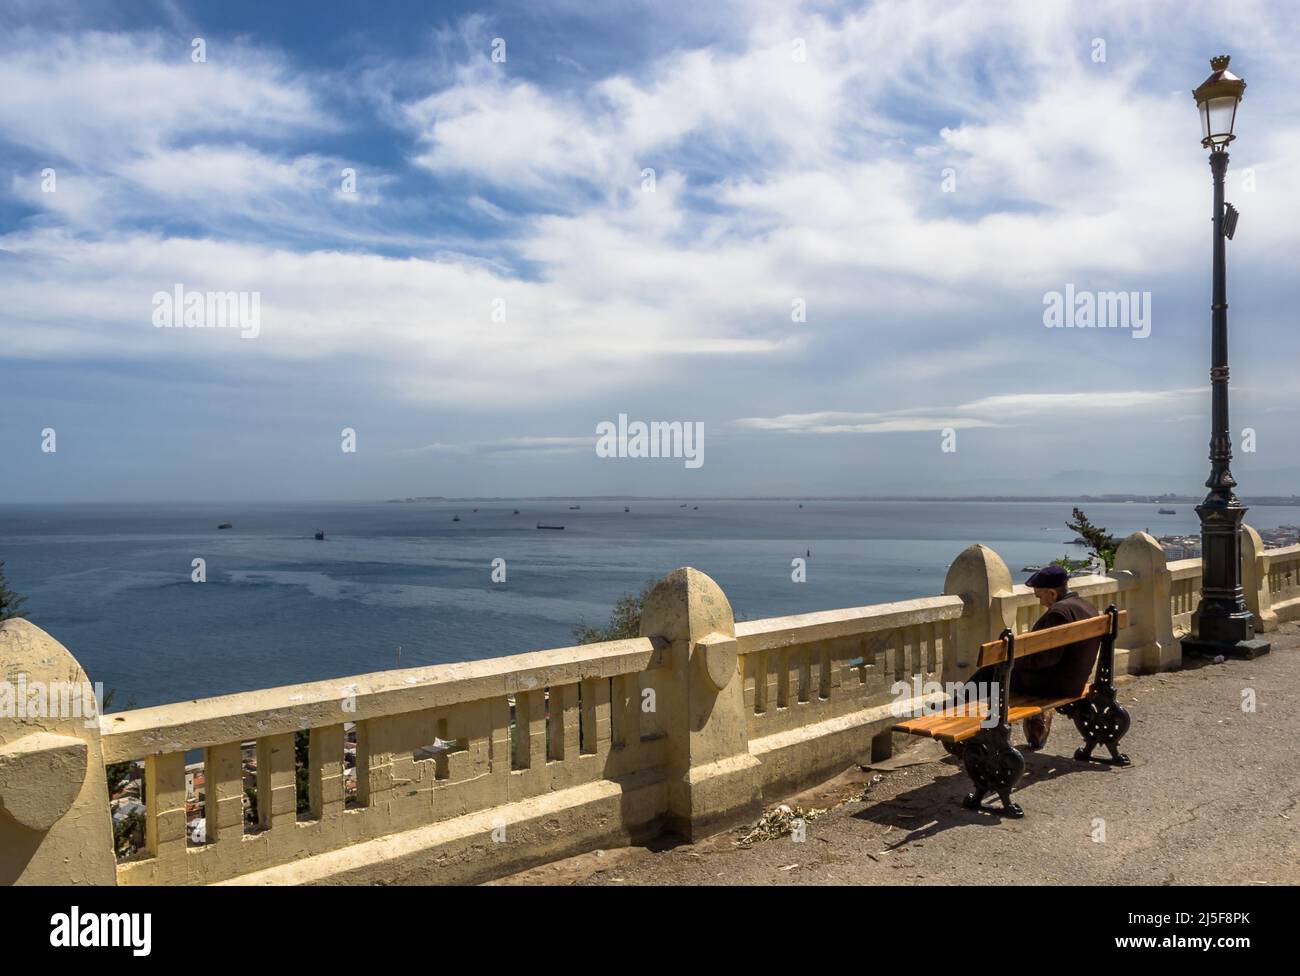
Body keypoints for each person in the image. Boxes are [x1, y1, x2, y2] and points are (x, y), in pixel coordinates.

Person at [970, 565, 1101, 749]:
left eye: (1040, 596)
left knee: (991, 672)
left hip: (1055, 686)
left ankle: (954, 712)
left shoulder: (1059, 613)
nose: (1040, 602)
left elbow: (1046, 659)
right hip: (1075, 681)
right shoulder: (1088, 607)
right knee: (993, 673)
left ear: (1052, 593)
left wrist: (1012, 661)